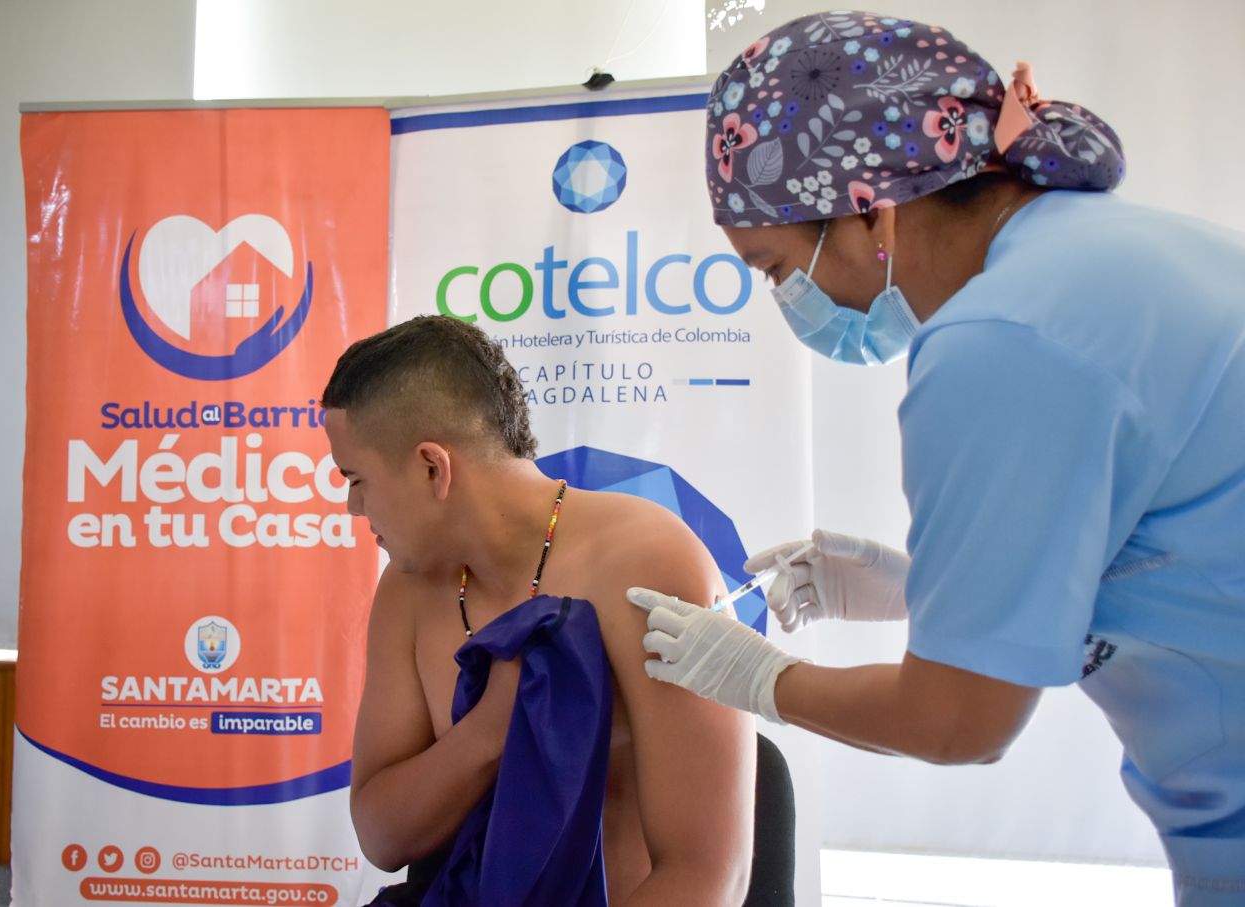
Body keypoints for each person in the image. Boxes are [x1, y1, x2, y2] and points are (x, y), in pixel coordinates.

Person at [629, 10, 1245, 906]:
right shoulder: (1127, 253)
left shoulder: (999, 338)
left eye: (774, 269)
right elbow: (1188, 548)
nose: (788, 301)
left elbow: (960, 721)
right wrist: (923, 589)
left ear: (867, 211)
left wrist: (759, 678)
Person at [321, 315, 755, 905]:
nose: (352, 506)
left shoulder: (648, 564)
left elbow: (708, 877)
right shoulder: (408, 588)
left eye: (356, 478)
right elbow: (381, 837)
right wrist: (489, 731)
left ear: (432, 467)